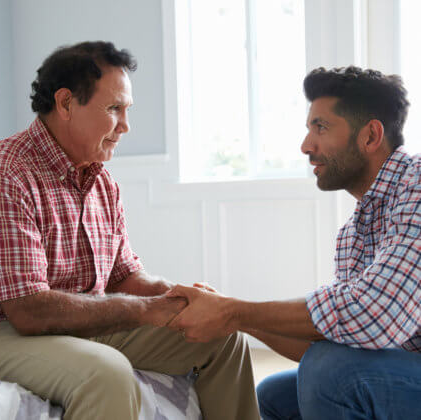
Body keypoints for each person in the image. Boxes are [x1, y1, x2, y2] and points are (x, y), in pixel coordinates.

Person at [0, 41, 260, 420]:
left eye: (127, 109)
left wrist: (178, 297)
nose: (126, 125)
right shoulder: (1, 173)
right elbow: (27, 312)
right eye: (113, 109)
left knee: (222, 337)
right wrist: (146, 310)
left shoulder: (101, 180)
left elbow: (123, 275)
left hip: (76, 322)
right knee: (106, 374)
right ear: (65, 103)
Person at [168, 66, 421, 419]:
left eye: (321, 127)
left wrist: (234, 309)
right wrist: (230, 316)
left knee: (331, 373)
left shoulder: (417, 186)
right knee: (275, 395)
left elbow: (374, 312)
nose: (306, 146)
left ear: (370, 136)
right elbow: (337, 337)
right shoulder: (354, 232)